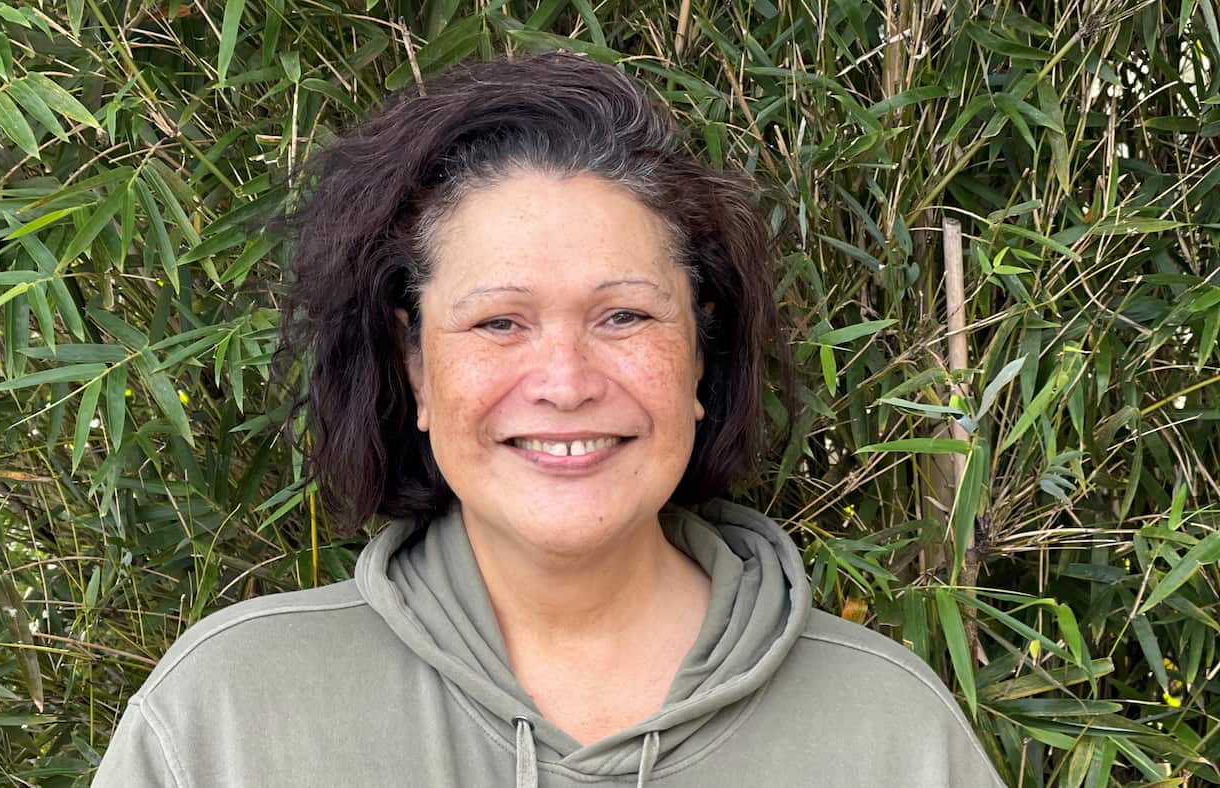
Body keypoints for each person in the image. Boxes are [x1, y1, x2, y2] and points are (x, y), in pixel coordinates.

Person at [93, 52, 1005, 787]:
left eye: (624, 316)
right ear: (414, 363)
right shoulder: (227, 719)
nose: (565, 383)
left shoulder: (891, 732)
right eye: (499, 323)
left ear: (699, 353)